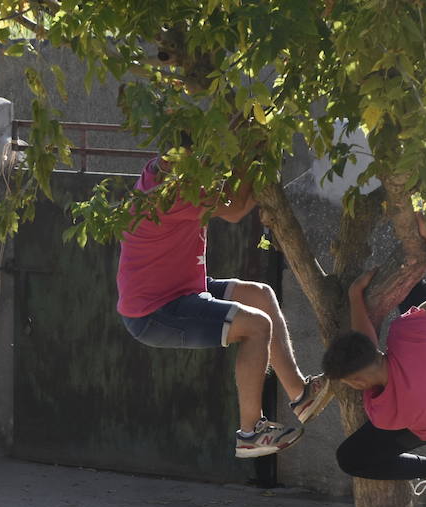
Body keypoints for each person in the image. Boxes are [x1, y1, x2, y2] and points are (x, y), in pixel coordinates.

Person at [116, 156, 333, 458]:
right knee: (257, 326)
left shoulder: (160, 171)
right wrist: (255, 155)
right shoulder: (172, 194)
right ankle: (250, 433)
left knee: (260, 295)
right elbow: (236, 208)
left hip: (184, 286)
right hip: (157, 310)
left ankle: (301, 395)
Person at [320, 215, 426, 492]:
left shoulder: (384, 411)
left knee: (351, 459)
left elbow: (365, 350)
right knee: (409, 288)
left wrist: (355, 298)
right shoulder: (407, 334)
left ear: (355, 382)